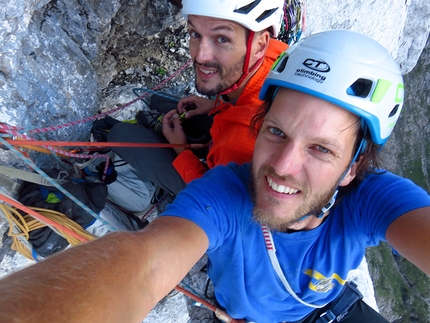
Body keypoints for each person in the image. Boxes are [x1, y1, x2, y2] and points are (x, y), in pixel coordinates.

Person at [0, 30, 429, 323]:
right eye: (276, 132)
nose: (282, 166)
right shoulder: (225, 194)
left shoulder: (372, 201)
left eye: (320, 149)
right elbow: (145, 265)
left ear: (353, 167)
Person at [107, 0, 288, 195]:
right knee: (163, 103)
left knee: (120, 134)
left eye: (222, 39)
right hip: (229, 127)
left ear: (259, 45)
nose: (201, 56)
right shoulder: (274, 54)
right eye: (195, 34)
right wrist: (216, 105)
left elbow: (214, 198)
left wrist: (181, 150)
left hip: (218, 192)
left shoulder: (236, 147)